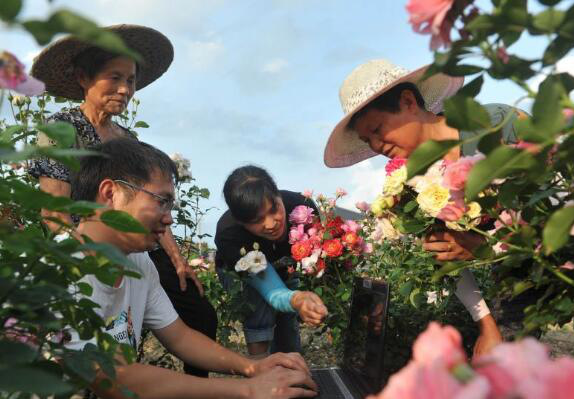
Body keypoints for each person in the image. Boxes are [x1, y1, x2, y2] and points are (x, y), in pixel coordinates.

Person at [29, 25, 217, 376]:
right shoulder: (61, 128)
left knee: (200, 314)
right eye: (114, 78)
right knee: (106, 336)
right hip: (88, 247)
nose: (124, 89)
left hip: (139, 244)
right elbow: (54, 210)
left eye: (130, 81)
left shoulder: (127, 138)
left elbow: (154, 203)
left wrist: (177, 259)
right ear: (84, 77)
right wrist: (84, 262)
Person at [66, 137, 318, 399]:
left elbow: (180, 337)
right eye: (161, 201)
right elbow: (112, 377)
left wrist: (252, 366)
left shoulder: (138, 263)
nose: (169, 217)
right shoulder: (58, 272)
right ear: (111, 194)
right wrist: (248, 389)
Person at [324, 59, 522, 354]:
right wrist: (488, 327)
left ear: (407, 102)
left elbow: (555, 207)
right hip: (517, 280)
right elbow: (445, 254)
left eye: (377, 129)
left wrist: (482, 247)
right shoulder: (410, 185)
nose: (376, 145)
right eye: (368, 140)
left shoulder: (494, 125)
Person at [215, 165, 329, 357]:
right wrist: (296, 298)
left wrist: (301, 300)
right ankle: (261, 369)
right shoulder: (230, 234)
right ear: (241, 222)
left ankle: (289, 367)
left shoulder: (302, 208)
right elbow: (271, 288)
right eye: (256, 220)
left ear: (278, 194)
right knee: (259, 312)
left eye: (273, 209)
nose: (270, 224)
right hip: (240, 272)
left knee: (287, 325)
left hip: (284, 266)